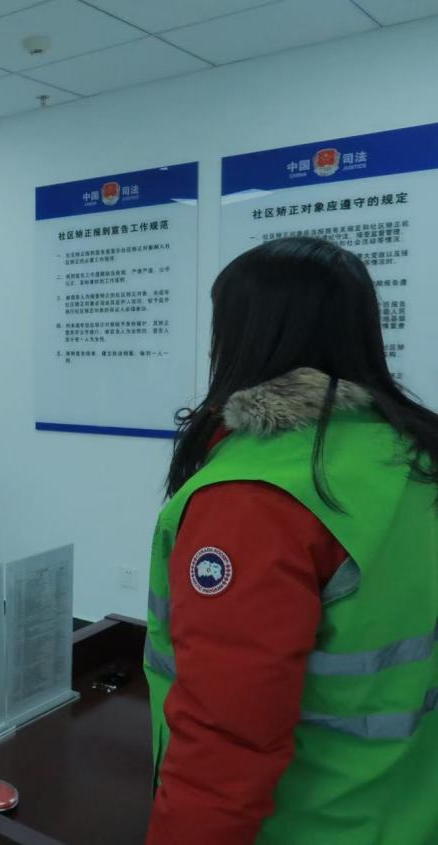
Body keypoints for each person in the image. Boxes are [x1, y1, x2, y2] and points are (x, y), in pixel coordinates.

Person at [144, 236, 438, 844]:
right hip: (406, 811)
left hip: (306, 824)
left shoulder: (256, 496)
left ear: (248, 339)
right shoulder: (413, 456)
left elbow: (226, 741)